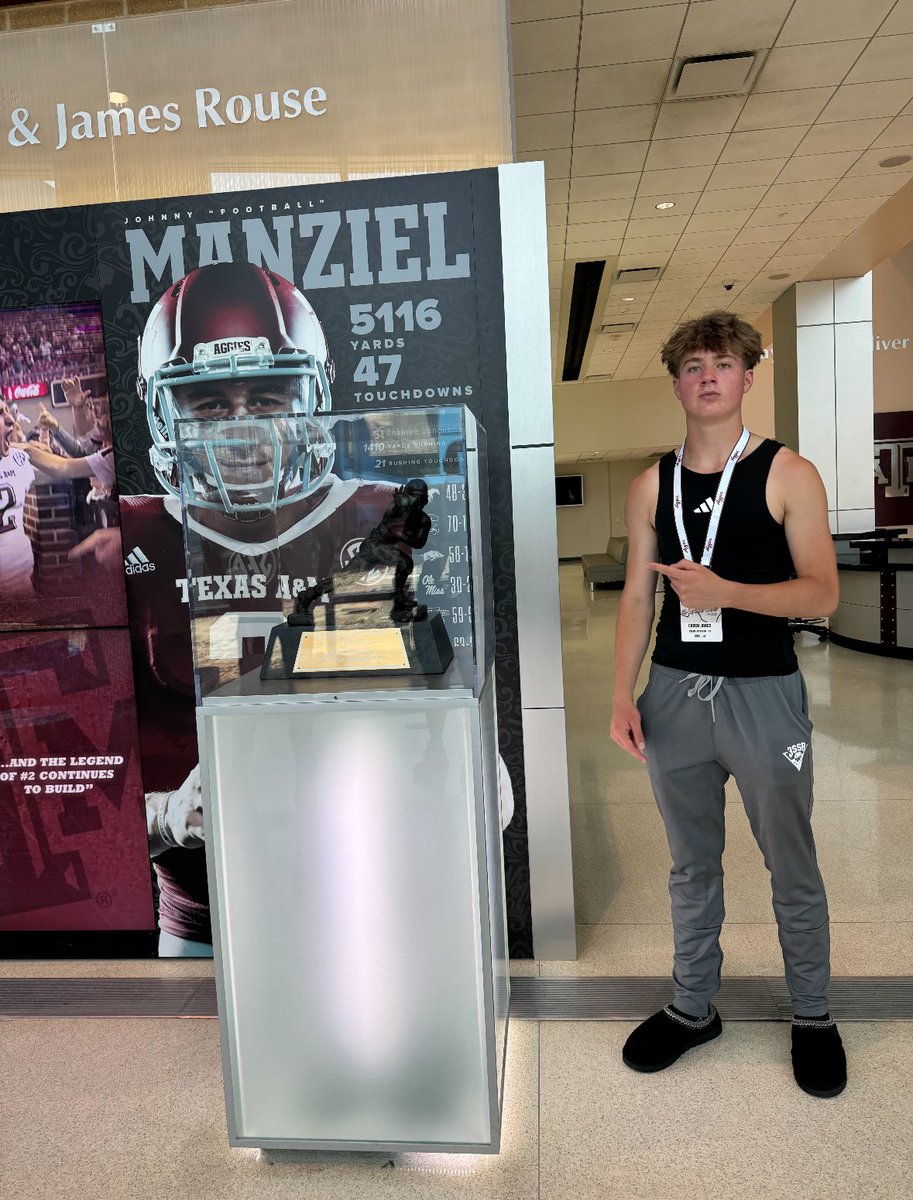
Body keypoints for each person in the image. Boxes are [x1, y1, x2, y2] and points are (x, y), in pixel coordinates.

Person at [121, 262, 397, 956]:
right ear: (161, 410)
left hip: (358, 888)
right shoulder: (122, 542)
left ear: (315, 395)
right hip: (198, 917)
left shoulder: (381, 518)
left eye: (270, 399)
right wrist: (168, 816)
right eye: (208, 404)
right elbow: (72, 804)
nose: (241, 431)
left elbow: (428, 704)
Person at [609, 310, 845, 1099]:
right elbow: (636, 601)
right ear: (676, 383)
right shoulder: (652, 484)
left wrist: (726, 592)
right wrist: (621, 695)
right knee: (689, 864)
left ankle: (811, 1013)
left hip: (763, 695)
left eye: (721, 363)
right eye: (691, 365)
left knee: (790, 861)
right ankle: (691, 1005)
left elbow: (822, 592)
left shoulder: (787, 473)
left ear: (746, 377)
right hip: (674, 694)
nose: (706, 375)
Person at [0, 399, 37, 596]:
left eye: (8, 411)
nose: (10, 420)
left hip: (21, 585)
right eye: (0, 412)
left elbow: (62, 467)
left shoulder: (17, 457)